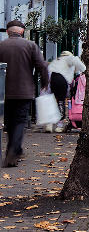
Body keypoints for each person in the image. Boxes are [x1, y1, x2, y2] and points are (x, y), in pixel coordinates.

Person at [0, 20, 49, 167]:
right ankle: (14, 151)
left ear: (8, 32)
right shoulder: (30, 46)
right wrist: (46, 84)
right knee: (20, 121)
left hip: (4, 93)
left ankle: (13, 149)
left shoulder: (1, 46)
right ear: (22, 32)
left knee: (9, 122)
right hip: (24, 91)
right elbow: (42, 66)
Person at [46, 51, 85, 132]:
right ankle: (59, 126)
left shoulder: (57, 61)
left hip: (53, 80)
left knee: (53, 102)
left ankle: (49, 124)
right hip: (62, 82)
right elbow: (82, 68)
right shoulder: (70, 59)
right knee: (61, 102)